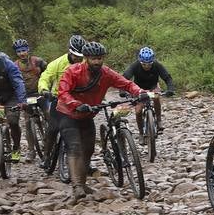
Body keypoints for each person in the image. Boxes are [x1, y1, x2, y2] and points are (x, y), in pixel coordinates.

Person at [56, 40, 147, 202]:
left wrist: (139, 92)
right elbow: (63, 92)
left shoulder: (106, 73)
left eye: (100, 58)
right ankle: (76, 186)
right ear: (86, 58)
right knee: (75, 147)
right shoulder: (72, 71)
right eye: (93, 59)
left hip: (87, 116)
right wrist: (77, 104)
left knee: (89, 149)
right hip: (68, 114)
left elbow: (125, 83)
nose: (97, 62)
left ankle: (83, 184)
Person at [37, 35, 85, 164]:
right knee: (53, 128)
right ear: (70, 51)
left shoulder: (85, 63)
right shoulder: (57, 63)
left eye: (80, 57)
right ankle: (47, 156)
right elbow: (45, 77)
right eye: (75, 56)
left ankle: (85, 160)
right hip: (58, 99)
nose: (78, 59)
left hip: (79, 99)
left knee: (84, 129)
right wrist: (44, 89)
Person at [124, 46, 174, 137]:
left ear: (152, 61)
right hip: (138, 89)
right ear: (140, 61)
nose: (147, 66)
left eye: (149, 64)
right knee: (138, 110)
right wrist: (122, 91)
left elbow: (167, 78)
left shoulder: (157, 65)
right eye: (144, 64)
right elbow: (124, 78)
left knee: (156, 96)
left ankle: (159, 121)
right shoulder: (135, 65)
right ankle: (141, 134)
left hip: (153, 86)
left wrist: (170, 89)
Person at [12, 38, 47, 160]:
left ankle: (53, 141)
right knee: (27, 122)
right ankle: (31, 151)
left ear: (28, 50)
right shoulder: (14, 65)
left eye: (23, 50)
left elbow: (49, 75)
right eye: (19, 51)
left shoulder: (38, 62)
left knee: (49, 115)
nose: (22, 53)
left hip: (40, 94)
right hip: (26, 97)